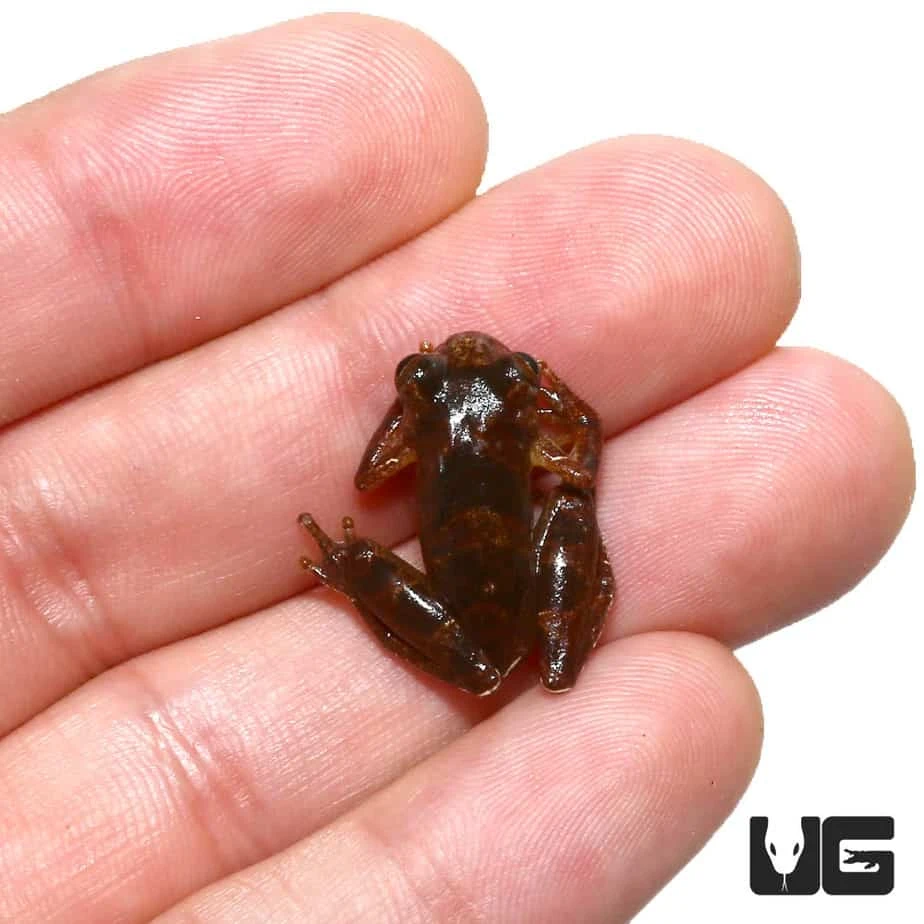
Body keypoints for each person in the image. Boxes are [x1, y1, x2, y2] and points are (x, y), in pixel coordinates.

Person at [0, 13, 913, 923]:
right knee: (545, 545)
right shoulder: (526, 431)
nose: (473, 367)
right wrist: (537, 398)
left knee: (453, 581)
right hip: (486, 607)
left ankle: (396, 591)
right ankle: (505, 630)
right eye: (427, 377)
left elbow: (374, 477)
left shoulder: (424, 432)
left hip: (479, 601)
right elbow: (577, 445)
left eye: (508, 379)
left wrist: (417, 408)